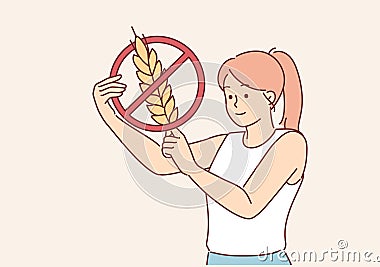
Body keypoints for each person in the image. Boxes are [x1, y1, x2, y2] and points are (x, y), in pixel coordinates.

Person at [93, 49, 308, 265]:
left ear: (269, 97)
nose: (235, 104)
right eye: (229, 95)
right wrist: (109, 115)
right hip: (216, 260)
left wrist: (192, 168)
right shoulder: (224, 143)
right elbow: (159, 162)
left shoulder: (290, 143)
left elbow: (249, 204)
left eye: (244, 95)